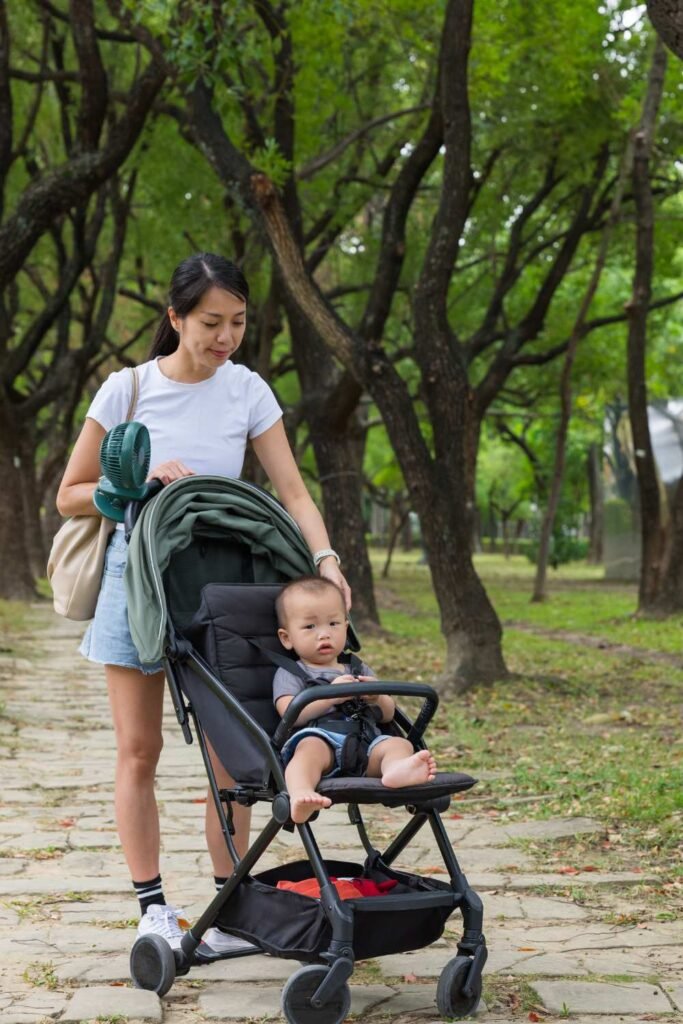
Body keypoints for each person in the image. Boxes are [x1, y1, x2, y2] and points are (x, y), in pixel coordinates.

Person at [55, 253, 351, 954]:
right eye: (211, 323)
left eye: (238, 322)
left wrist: (326, 561)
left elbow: (294, 492)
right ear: (175, 318)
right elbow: (69, 493)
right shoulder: (126, 391)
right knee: (139, 750)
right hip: (138, 579)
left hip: (221, 581)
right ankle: (153, 907)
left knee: (234, 751)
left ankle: (231, 901)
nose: (225, 337)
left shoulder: (246, 390)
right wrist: (137, 481)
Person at [274, 576, 437, 824]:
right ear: (287, 638)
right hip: (323, 743)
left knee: (398, 744)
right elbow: (289, 713)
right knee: (307, 751)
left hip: (367, 744)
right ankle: (300, 794)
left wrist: (377, 697)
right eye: (310, 627)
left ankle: (395, 771)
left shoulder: (358, 668)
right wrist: (332, 696)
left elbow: (389, 715)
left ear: (346, 627)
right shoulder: (291, 672)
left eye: (333, 623)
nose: (324, 634)